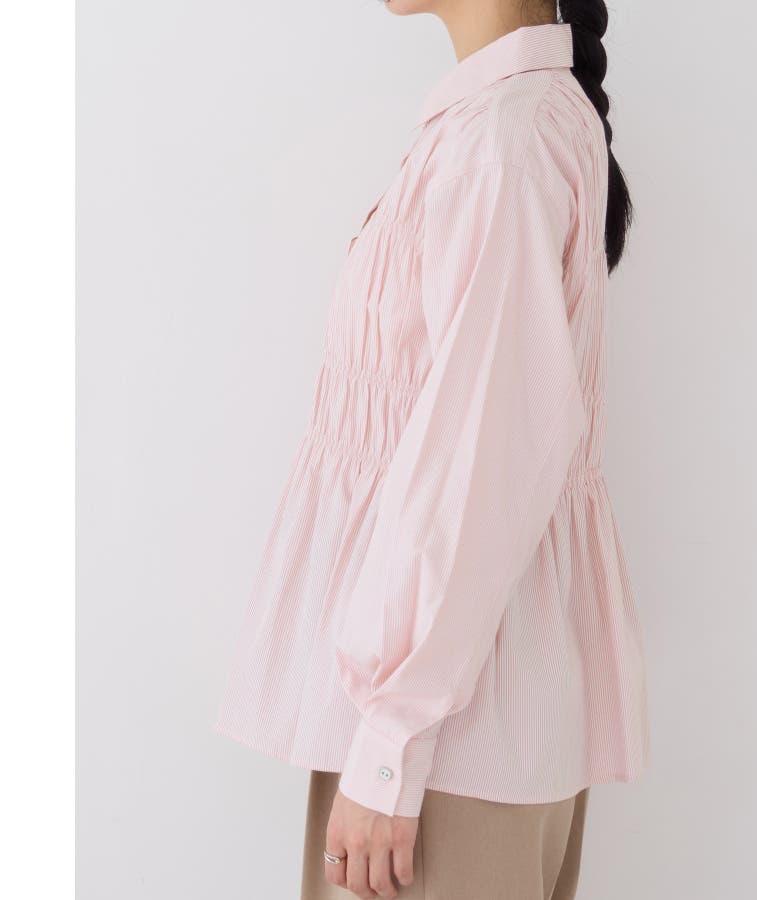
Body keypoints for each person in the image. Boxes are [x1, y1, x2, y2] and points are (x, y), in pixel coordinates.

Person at [214, 2, 650, 897]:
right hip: (447, 721)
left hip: (440, 744)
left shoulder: (504, 142)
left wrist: (388, 747)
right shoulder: (503, 125)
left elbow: (486, 457)